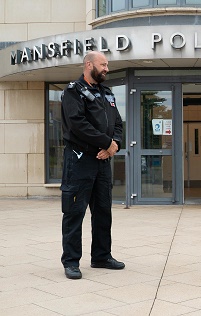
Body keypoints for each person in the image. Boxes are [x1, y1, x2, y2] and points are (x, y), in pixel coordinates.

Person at [60, 51, 125, 279]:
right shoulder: (72, 92)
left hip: (103, 162)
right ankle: (71, 261)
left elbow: (117, 122)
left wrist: (113, 144)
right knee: (74, 212)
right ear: (89, 65)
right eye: (103, 64)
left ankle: (101, 256)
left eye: (107, 64)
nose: (107, 68)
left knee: (103, 211)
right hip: (79, 162)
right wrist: (106, 142)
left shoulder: (107, 93)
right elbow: (78, 124)